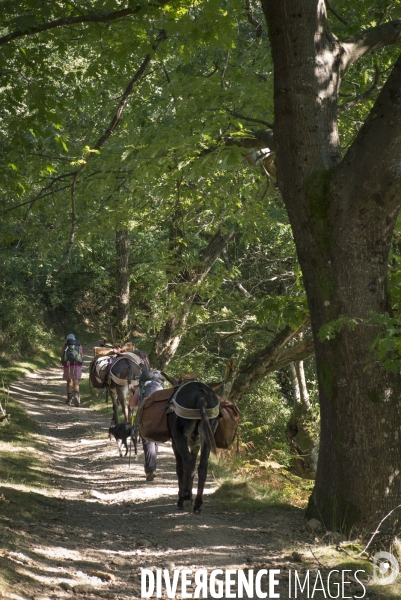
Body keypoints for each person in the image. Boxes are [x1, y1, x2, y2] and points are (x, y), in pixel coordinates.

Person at [130, 369, 165, 481]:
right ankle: (151, 466)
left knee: (148, 440)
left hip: (147, 416)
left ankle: (150, 469)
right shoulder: (162, 388)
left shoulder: (141, 387)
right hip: (160, 417)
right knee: (155, 440)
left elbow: (132, 404)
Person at [61, 333, 83, 406]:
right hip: (77, 364)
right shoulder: (79, 345)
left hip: (67, 365)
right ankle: (76, 395)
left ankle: (69, 398)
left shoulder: (65, 345)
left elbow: (62, 355)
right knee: (75, 381)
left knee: (69, 381)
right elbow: (81, 355)